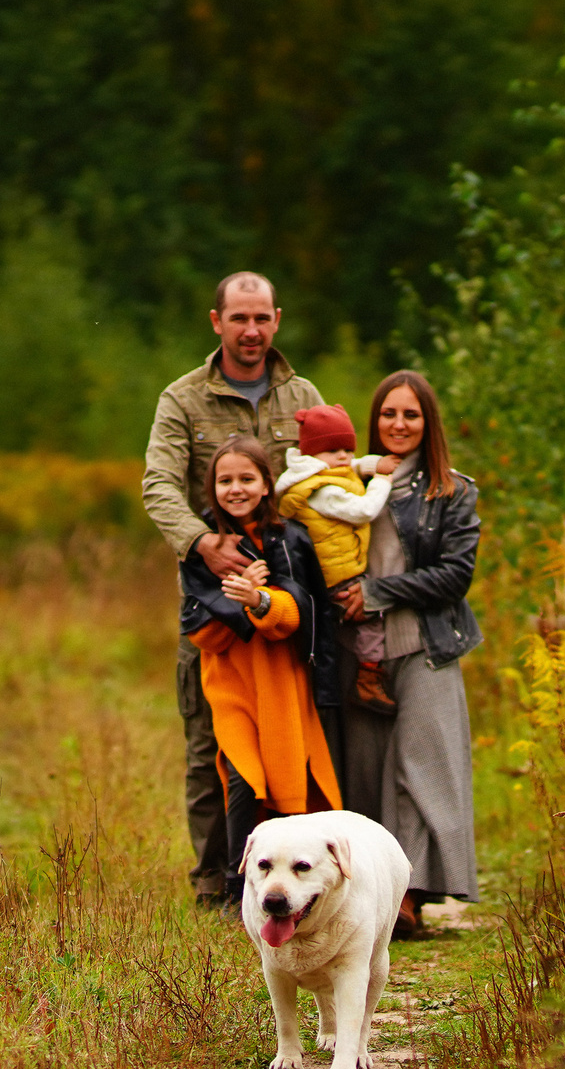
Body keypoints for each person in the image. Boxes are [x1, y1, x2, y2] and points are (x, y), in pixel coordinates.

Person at [142, 272, 332, 909]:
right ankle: (215, 887)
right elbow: (159, 486)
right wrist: (203, 542)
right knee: (210, 750)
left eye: (262, 319)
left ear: (277, 319)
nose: (251, 331)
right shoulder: (183, 399)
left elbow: (327, 485)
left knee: (296, 746)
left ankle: (296, 885)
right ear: (216, 321)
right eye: (238, 319)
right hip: (215, 609)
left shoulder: (302, 394)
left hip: (289, 610)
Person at [333, 371, 482, 938]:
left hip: (425, 643)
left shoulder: (453, 490)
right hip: (357, 649)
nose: (398, 424)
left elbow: (454, 576)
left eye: (411, 415)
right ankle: (367, 899)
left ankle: (409, 898)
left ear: (428, 423)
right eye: (389, 414)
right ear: (375, 421)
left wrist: (377, 593)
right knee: (366, 771)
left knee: (417, 769)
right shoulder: (345, 482)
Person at [180, 435, 341, 903]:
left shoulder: (291, 538)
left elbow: (303, 614)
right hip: (231, 686)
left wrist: (262, 601)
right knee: (242, 778)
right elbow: (201, 631)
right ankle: (237, 887)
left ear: (267, 484)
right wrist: (239, 603)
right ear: (211, 488)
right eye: (225, 480)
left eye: (247, 478)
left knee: (288, 782)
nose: (236, 489)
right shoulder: (202, 547)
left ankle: (301, 886)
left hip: (281, 684)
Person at [274, 403, 396, 717]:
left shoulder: (321, 472)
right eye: (332, 450)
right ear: (312, 454)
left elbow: (354, 466)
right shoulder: (320, 489)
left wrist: (373, 463)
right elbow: (364, 511)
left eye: (347, 448)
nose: (343, 456)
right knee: (370, 618)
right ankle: (368, 678)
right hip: (337, 576)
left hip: (333, 570)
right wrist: (383, 478)